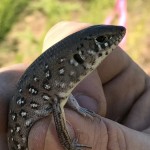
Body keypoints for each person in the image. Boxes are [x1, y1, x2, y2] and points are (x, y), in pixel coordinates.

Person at [1, 21, 150, 150]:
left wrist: (78, 109)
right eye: (101, 40)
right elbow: (59, 120)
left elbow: (64, 96)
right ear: (78, 57)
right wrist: (69, 145)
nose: (110, 40)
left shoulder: (58, 89)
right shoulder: (56, 95)